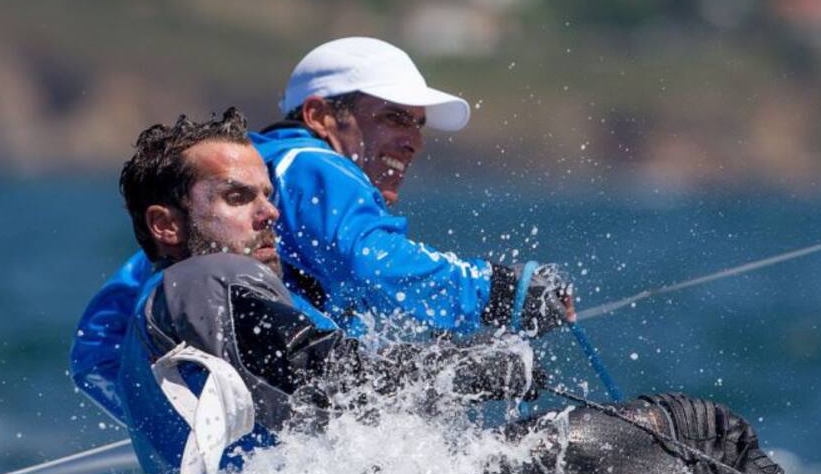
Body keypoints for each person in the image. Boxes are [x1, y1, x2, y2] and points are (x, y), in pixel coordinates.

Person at [115, 107, 821, 474]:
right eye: (239, 199)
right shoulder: (210, 280)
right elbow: (338, 380)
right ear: (167, 224)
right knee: (700, 432)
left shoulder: (146, 319)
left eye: (270, 197)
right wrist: (482, 366)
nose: (271, 215)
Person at [71, 37, 572, 424]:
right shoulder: (307, 162)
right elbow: (370, 264)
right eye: (394, 117)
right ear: (319, 116)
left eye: (418, 124)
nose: (413, 141)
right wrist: (506, 292)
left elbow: (96, 348)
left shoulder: (204, 218)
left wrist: (188, 433)